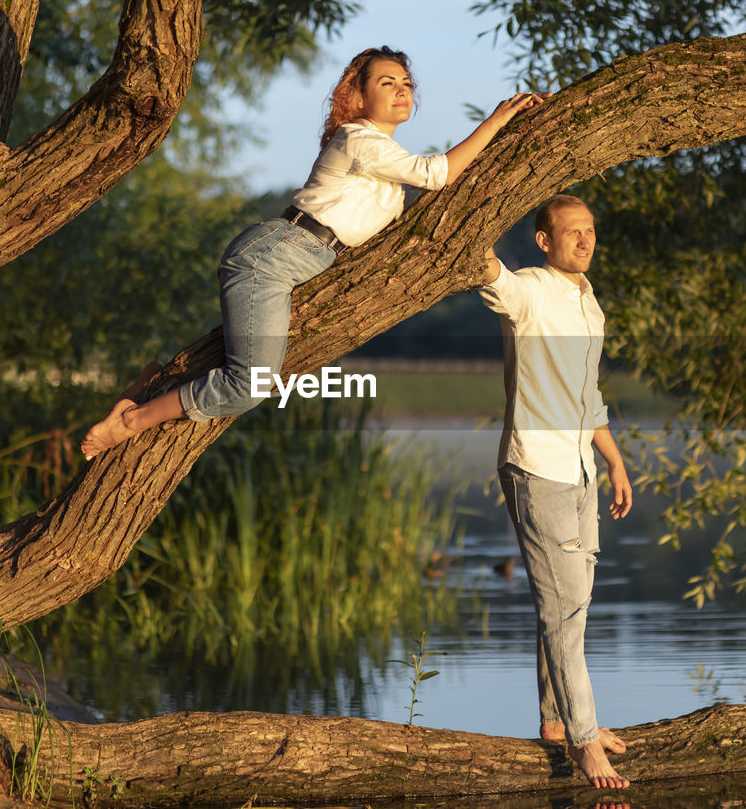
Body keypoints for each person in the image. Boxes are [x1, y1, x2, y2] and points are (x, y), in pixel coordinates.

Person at [81, 47, 542, 458]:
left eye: (406, 83)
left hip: (297, 261)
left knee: (246, 374)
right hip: (275, 255)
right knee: (249, 386)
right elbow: (436, 172)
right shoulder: (357, 137)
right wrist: (498, 120)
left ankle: (152, 385)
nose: (402, 90)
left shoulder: (385, 163)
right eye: (387, 82)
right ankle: (131, 422)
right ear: (358, 99)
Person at [479, 194, 633, 790]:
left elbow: (587, 398)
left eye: (590, 231)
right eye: (572, 232)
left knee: (572, 608)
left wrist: (615, 463)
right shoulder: (531, 291)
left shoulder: (588, 304)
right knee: (563, 609)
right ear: (545, 241)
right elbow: (488, 273)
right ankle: (585, 740)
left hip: (580, 472)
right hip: (536, 469)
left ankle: (555, 721)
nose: (585, 240)